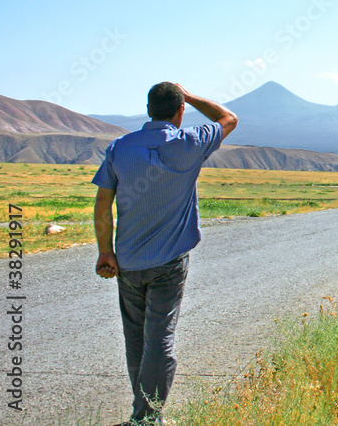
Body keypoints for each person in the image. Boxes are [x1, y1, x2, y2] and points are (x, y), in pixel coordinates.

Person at [93, 82, 238, 425]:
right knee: (160, 339)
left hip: (127, 261)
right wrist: (189, 96)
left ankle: (142, 413)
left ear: (147, 109)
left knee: (136, 339)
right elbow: (228, 118)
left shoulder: (119, 148)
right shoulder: (190, 143)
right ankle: (147, 416)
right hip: (170, 262)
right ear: (180, 111)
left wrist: (105, 252)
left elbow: (103, 205)